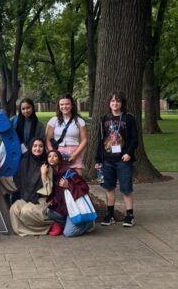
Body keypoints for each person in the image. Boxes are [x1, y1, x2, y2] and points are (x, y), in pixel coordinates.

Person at [94, 90, 138, 227]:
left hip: (123, 159)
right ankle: (110, 214)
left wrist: (129, 153)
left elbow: (134, 138)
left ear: (122, 103)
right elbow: (100, 140)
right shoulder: (104, 119)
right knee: (109, 187)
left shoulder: (128, 118)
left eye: (118, 101)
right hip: (107, 159)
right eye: (112, 101)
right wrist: (98, 160)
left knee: (126, 188)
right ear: (109, 103)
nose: (115, 103)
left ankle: (129, 215)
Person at [45, 149, 94, 237]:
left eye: (55, 156)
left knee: (68, 233)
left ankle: (89, 225)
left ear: (59, 159)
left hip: (73, 208)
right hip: (63, 209)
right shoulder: (52, 174)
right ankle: (69, 224)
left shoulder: (69, 172)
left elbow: (85, 187)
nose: (51, 158)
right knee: (49, 211)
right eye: (49, 156)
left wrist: (68, 185)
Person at [9, 137, 53, 236]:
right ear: (30, 147)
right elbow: (16, 180)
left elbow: (48, 190)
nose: (37, 148)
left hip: (41, 199)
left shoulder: (47, 164)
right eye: (35, 146)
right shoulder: (24, 162)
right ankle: (24, 230)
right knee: (14, 209)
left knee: (26, 211)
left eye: (40, 146)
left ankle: (49, 226)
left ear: (44, 148)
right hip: (27, 197)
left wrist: (43, 174)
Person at [45, 94, 88, 173]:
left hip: (74, 152)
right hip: (57, 152)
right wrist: (53, 153)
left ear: (72, 105)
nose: (64, 106)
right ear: (59, 106)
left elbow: (84, 140)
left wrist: (74, 155)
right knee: (58, 178)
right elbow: (47, 139)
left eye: (67, 104)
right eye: (61, 104)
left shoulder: (80, 121)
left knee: (76, 178)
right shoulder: (53, 120)